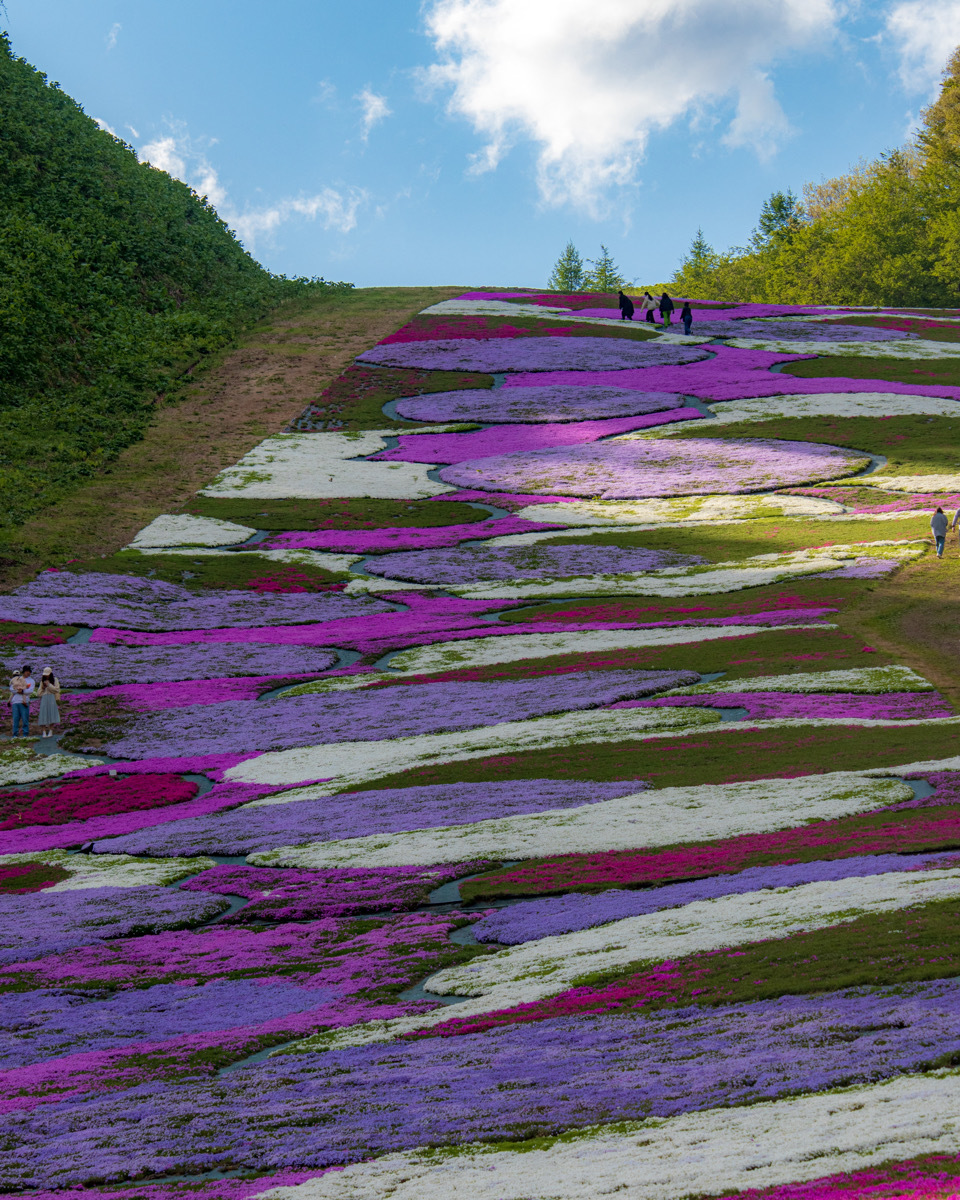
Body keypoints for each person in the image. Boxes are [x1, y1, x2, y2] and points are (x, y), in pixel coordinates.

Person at [9, 664, 34, 737]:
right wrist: (18, 691)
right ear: (23, 672)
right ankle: (15, 734)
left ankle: (25, 734)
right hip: (15, 701)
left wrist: (22, 691)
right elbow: (11, 689)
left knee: (25, 719)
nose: (28, 673)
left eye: (29, 671)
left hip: (25, 701)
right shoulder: (17, 678)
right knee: (15, 719)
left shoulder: (31, 681)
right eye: (26, 671)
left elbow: (30, 690)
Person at [36, 668, 61, 738]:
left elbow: (56, 690)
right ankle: (44, 731)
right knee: (43, 713)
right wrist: (43, 688)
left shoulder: (55, 680)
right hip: (44, 698)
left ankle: (51, 730)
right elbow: (38, 693)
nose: (46, 676)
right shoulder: (42, 681)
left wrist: (49, 685)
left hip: (51, 698)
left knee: (52, 713)